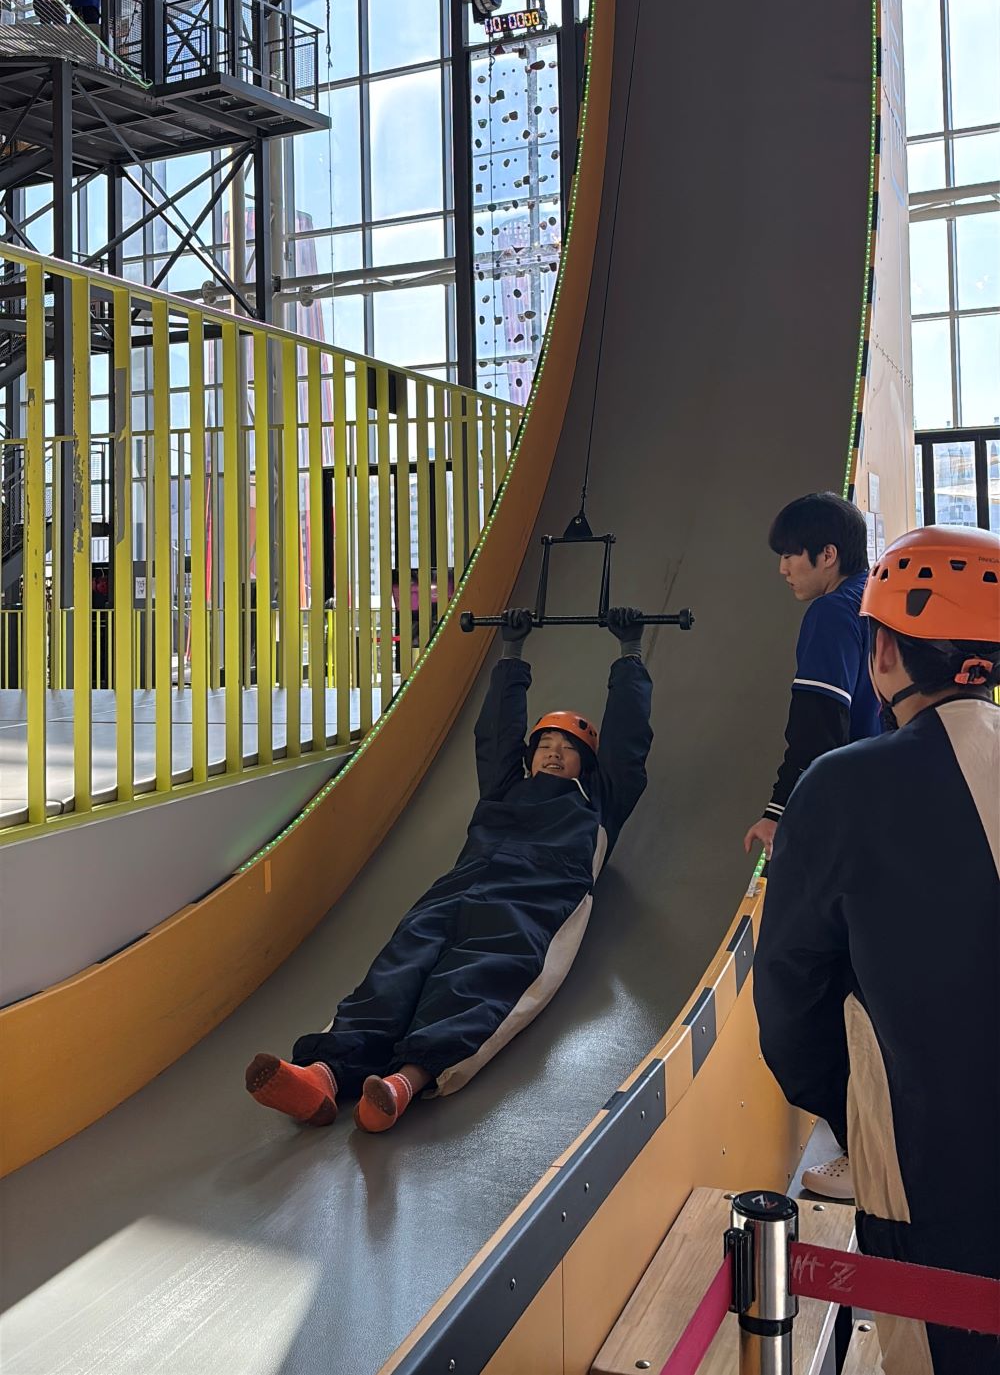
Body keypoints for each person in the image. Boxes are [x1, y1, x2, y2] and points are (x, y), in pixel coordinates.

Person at [246, 605, 653, 1133]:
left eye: (568, 750)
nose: (553, 755)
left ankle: (403, 1083)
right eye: (545, 746)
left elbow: (627, 745)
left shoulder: (599, 801)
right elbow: (496, 734)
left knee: (477, 979)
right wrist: (511, 654)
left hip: (533, 900)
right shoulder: (506, 788)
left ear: (587, 765)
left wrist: (630, 655)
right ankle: (323, 1077)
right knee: (399, 965)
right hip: (461, 884)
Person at [754, 525, 1000, 1375]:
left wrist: (857, 1115)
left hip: (929, 1176)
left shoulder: (843, 786)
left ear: (884, 652)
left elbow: (789, 998)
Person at [744, 492, 880, 859]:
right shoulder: (880, 599)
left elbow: (818, 725)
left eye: (790, 555)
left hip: (847, 807)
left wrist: (777, 810)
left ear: (828, 555)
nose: (783, 569)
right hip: (890, 797)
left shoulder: (833, 612)